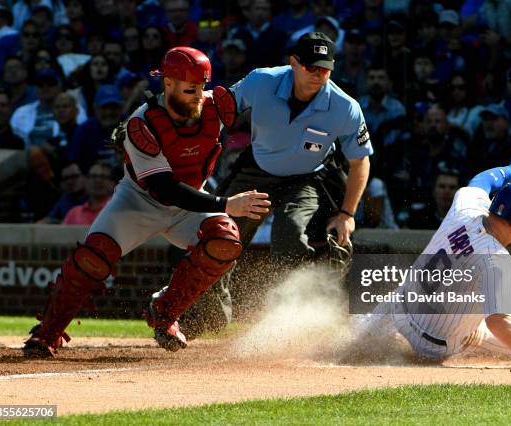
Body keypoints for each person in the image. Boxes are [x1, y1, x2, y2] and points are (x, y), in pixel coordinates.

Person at [22, 46, 270, 358]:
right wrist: (224, 204)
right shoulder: (143, 122)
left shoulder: (216, 106)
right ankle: (47, 333)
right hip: (139, 200)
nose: (199, 96)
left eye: (203, 88)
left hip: (190, 200)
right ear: (168, 85)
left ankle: (164, 312)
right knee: (93, 258)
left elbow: (258, 86)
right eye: (191, 89)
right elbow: (163, 187)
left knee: (225, 241)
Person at [180, 32, 372, 338]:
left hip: (307, 179)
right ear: (293, 63)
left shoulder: (345, 107)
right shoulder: (260, 82)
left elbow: (360, 162)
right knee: (221, 236)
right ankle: (209, 314)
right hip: (256, 171)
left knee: (291, 234)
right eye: (311, 67)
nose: (318, 75)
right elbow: (219, 108)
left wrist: (347, 214)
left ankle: (301, 315)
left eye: (325, 69)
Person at [353, 157, 511, 370]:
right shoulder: (497, 260)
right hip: (431, 347)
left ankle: (359, 332)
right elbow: (499, 324)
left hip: (396, 309)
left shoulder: (465, 207)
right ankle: (461, 340)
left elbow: (483, 179)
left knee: (345, 341)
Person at [62, 161, 115, 225]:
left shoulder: (119, 211)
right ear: (86, 181)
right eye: (93, 176)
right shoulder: (74, 213)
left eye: (103, 176)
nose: (97, 180)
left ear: (112, 183)